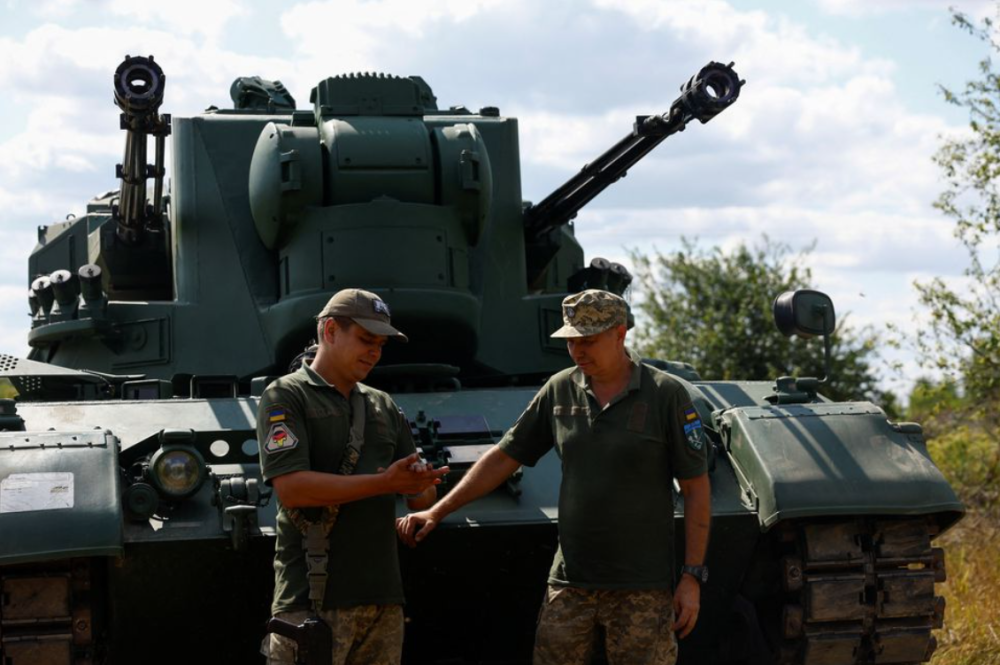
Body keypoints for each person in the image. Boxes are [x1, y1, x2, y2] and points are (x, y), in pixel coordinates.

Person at [398, 289, 711, 665]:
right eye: (570, 342)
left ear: (620, 334)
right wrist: (438, 510)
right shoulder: (560, 389)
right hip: (570, 582)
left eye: (588, 340)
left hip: (641, 587)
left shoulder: (666, 394)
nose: (578, 351)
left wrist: (691, 576)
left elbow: (696, 488)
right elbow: (503, 458)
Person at [258, 288, 449, 665]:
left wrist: (420, 486)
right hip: (312, 601)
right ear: (329, 331)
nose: (375, 352)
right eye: (365, 339)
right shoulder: (287, 396)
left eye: (380, 343)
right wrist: (386, 483)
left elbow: (419, 501)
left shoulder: (383, 404)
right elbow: (292, 489)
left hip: (382, 599)